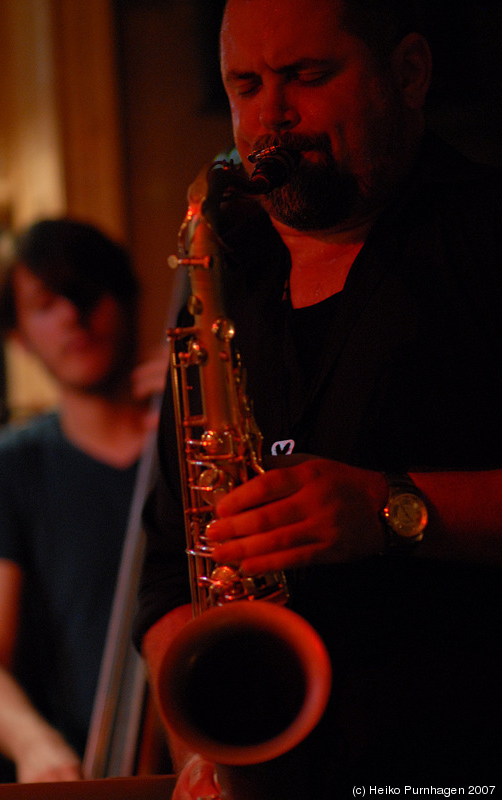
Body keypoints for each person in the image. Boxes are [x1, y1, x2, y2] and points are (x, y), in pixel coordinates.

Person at [133, 0, 502, 797]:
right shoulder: (222, 282)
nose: (272, 118)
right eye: (245, 84)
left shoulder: (487, 237)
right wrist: (206, 741)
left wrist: (391, 510)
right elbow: (170, 571)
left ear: (408, 74)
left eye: (307, 76)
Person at [0, 218, 166, 784]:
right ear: (18, 336)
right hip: (92, 768)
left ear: (128, 298)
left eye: (86, 292)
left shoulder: (192, 437)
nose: (72, 317)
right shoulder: (9, 466)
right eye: (45, 303)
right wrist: (34, 745)